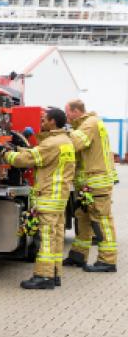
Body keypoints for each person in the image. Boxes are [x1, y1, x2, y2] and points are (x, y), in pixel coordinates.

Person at [4, 107, 76, 289]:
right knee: (56, 237)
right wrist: (17, 148)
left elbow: (28, 159)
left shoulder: (52, 143)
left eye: (44, 119)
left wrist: (4, 154)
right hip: (59, 198)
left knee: (46, 238)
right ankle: (54, 273)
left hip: (48, 196)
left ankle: (43, 277)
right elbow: (38, 154)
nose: (41, 121)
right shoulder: (66, 141)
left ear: (53, 121)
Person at [62, 99, 118, 272]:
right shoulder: (84, 124)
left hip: (96, 183)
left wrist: (56, 134)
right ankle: (78, 255)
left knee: (101, 221)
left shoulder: (90, 123)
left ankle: (108, 261)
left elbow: (76, 144)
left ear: (76, 111)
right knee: (83, 218)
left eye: (67, 113)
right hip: (87, 184)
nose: (66, 117)